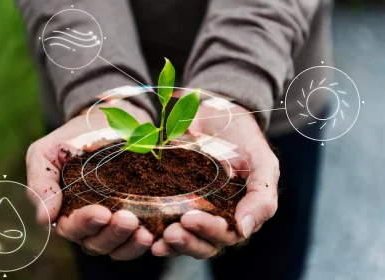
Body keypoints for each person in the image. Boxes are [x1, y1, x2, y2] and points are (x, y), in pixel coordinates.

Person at [17, 0, 333, 279]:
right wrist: (98, 83)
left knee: (265, 261)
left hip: (270, 83)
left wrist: (239, 78)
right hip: (85, 103)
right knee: (109, 254)